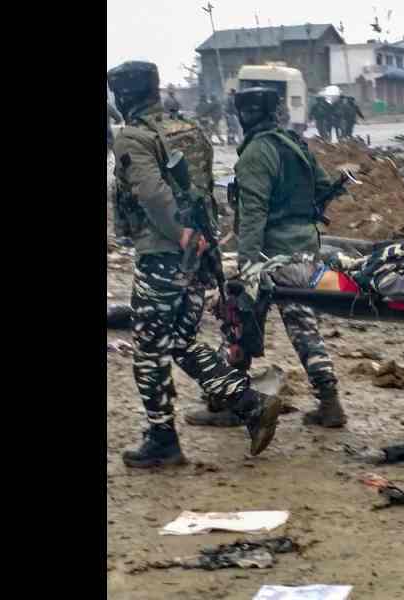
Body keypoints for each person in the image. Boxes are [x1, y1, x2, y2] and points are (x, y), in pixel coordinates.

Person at [107, 61, 281, 468]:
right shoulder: (186, 127)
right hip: (198, 254)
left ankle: (162, 438)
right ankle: (248, 402)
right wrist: (203, 241)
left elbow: (150, 192)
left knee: (149, 347)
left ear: (124, 96)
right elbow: (204, 189)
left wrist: (179, 232)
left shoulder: (133, 137)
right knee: (181, 342)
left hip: (164, 253)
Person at [188, 87, 348, 429]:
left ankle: (230, 402)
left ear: (245, 115)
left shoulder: (256, 153)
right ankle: (330, 402)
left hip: (269, 255)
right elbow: (321, 188)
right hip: (305, 248)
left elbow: (253, 216)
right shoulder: (295, 145)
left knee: (237, 319)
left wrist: (246, 270)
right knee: (302, 327)